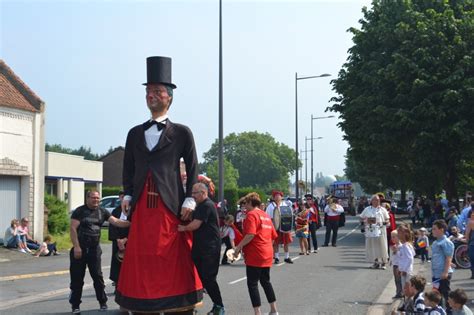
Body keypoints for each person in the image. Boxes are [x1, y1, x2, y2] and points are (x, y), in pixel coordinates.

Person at [116, 56, 202, 314]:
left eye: (156, 91)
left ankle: (179, 301)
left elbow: (194, 167)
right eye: (147, 92)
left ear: (169, 97)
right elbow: (128, 168)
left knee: (171, 252)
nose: (150, 95)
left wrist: (189, 199)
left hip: (170, 203)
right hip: (142, 205)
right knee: (143, 254)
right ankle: (141, 300)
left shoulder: (183, 132)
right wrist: (128, 194)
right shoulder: (134, 133)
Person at [69, 190, 130, 314]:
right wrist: (76, 247)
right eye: (93, 198)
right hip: (80, 249)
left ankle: (102, 302)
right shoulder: (80, 211)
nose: (96, 200)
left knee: (97, 277)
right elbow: (73, 228)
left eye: (97, 198)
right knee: (77, 278)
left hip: (94, 249)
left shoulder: (102, 211)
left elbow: (116, 222)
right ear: (87, 198)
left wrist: (132, 223)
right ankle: (75, 305)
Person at [178, 183, 224, 315]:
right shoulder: (200, 206)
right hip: (200, 246)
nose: (192, 196)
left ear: (203, 193)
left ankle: (219, 306)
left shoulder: (207, 205)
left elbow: (196, 224)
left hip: (210, 247)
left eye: (195, 193)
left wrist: (183, 228)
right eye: (192, 193)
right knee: (202, 277)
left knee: (209, 278)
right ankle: (215, 304)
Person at [234, 192, 279, 315]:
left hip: (255, 254)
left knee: (252, 284)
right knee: (266, 282)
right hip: (267, 253)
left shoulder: (251, 215)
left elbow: (250, 234)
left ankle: (257, 313)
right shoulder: (265, 215)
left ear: (250, 203)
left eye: (245, 204)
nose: (244, 207)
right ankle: (274, 310)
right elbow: (274, 236)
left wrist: (238, 247)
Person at [360, 194, 390, 269]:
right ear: (372, 201)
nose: (377, 201)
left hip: (381, 230)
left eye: (378, 200)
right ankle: (375, 262)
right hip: (370, 230)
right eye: (375, 200)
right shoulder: (367, 209)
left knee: (382, 246)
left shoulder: (383, 209)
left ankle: (383, 263)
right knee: (373, 247)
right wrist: (365, 221)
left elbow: (387, 219)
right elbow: (361, 218)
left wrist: (384, 223)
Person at [431, 219, 455, 311]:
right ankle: (439, 311)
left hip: (443, 273)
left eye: (434, 229)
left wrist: (445, 272)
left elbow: (448, 258)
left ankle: (451, 311)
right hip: (436, 273)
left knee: (446, 294)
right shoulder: (435, 242)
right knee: (437, 294)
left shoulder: (446, 242)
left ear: (441, 230)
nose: (432, 231)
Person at [108, 191, 129, 288]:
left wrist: (126, 239)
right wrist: (118, 239)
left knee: (129, 263)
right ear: (120, 198)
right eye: (122, 197)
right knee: (117, 262)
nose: (123, 198)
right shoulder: (115, 211)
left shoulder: (133, 210)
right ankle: (117, 283)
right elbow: (112, 226)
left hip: (130, 240)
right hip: (117, 241)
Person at [266, 190, 293, 264]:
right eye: (276, 197)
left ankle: (287, 257)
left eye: (279, 196)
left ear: (281, 197)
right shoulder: (270, 206)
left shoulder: (285, 205)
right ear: (274, 198)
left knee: (286, 242)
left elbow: (289, 215)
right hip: (275, 226)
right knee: (276, 243)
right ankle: (277, 258)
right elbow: (268, 217)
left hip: (284, 225)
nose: (278, 198)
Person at [397, 224, 415, 288]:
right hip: (404, 271)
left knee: (407, 289)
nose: (397, 235)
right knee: (404, 289)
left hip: (407, 272)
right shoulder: (404, 245)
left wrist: (404, 270)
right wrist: (400, 269)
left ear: (404, 234)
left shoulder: (406, 246)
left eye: (399, 233)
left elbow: (410, 258)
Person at [389, 230, 403, 299]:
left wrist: (396, 251)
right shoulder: (394, 246)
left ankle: (400, 292)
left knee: (399, 279)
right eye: (391, 237)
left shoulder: (401, 246)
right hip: (395, 265)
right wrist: (391, 260)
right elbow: (393, 255)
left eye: (394, 237)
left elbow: (401, 256)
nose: (392, 239)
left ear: (398, 237)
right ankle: (398, 292)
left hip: (399, 265)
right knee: (396, 279)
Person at [464, 209, 474, 279]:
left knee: (472, 259)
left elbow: (467, 234)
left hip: (472, 243)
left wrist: (467, 242)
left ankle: (473, 274)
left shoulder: (471, 222)